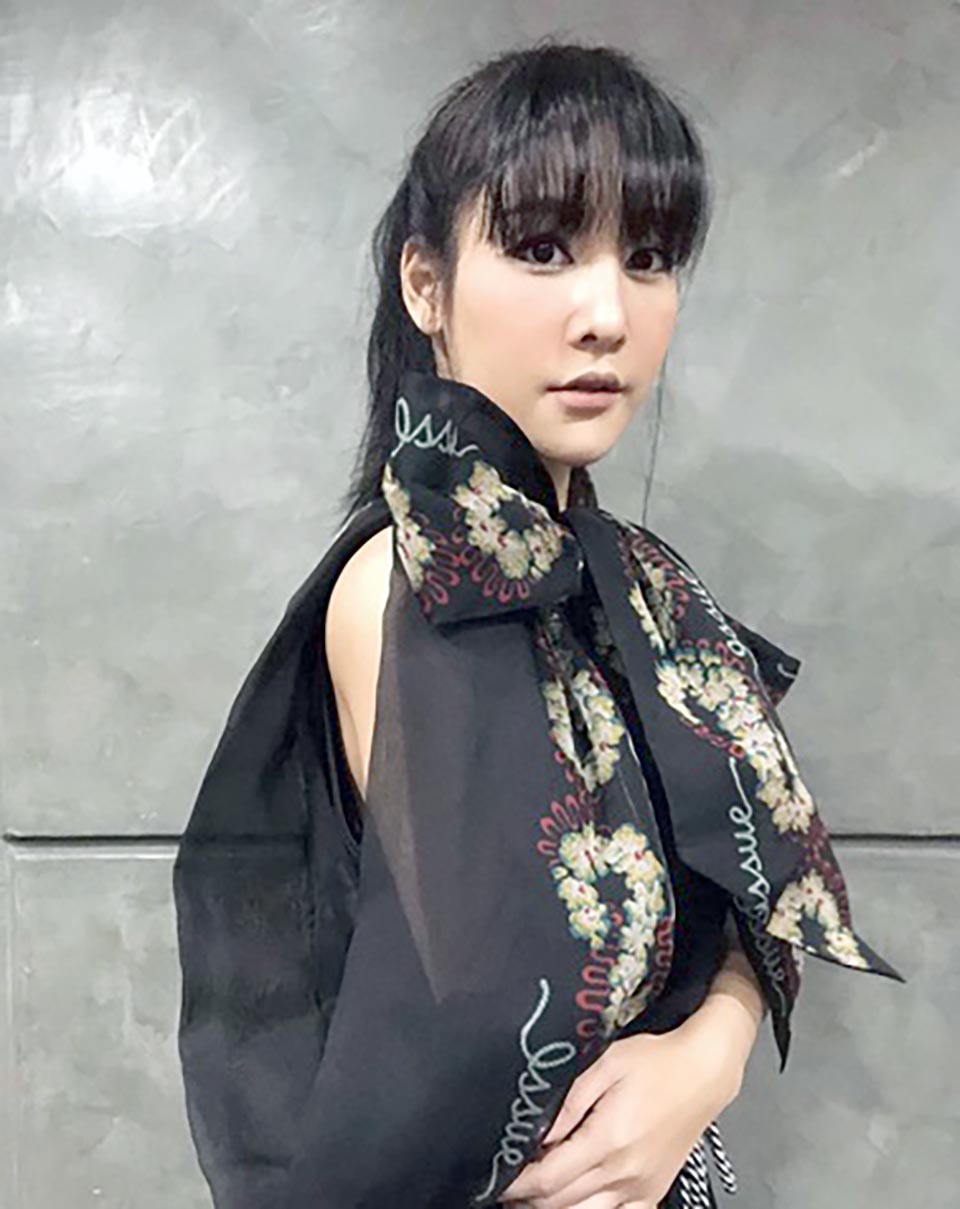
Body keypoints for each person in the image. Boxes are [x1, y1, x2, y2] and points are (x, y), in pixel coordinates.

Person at [172, 39, 905, 1209]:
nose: (607, 314)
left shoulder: (647, 594)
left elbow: (754, 880)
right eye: (543, 249)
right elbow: (500, 1017)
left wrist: (706, 1058)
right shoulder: (411, 583)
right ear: (426, 286)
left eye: (649, 257)